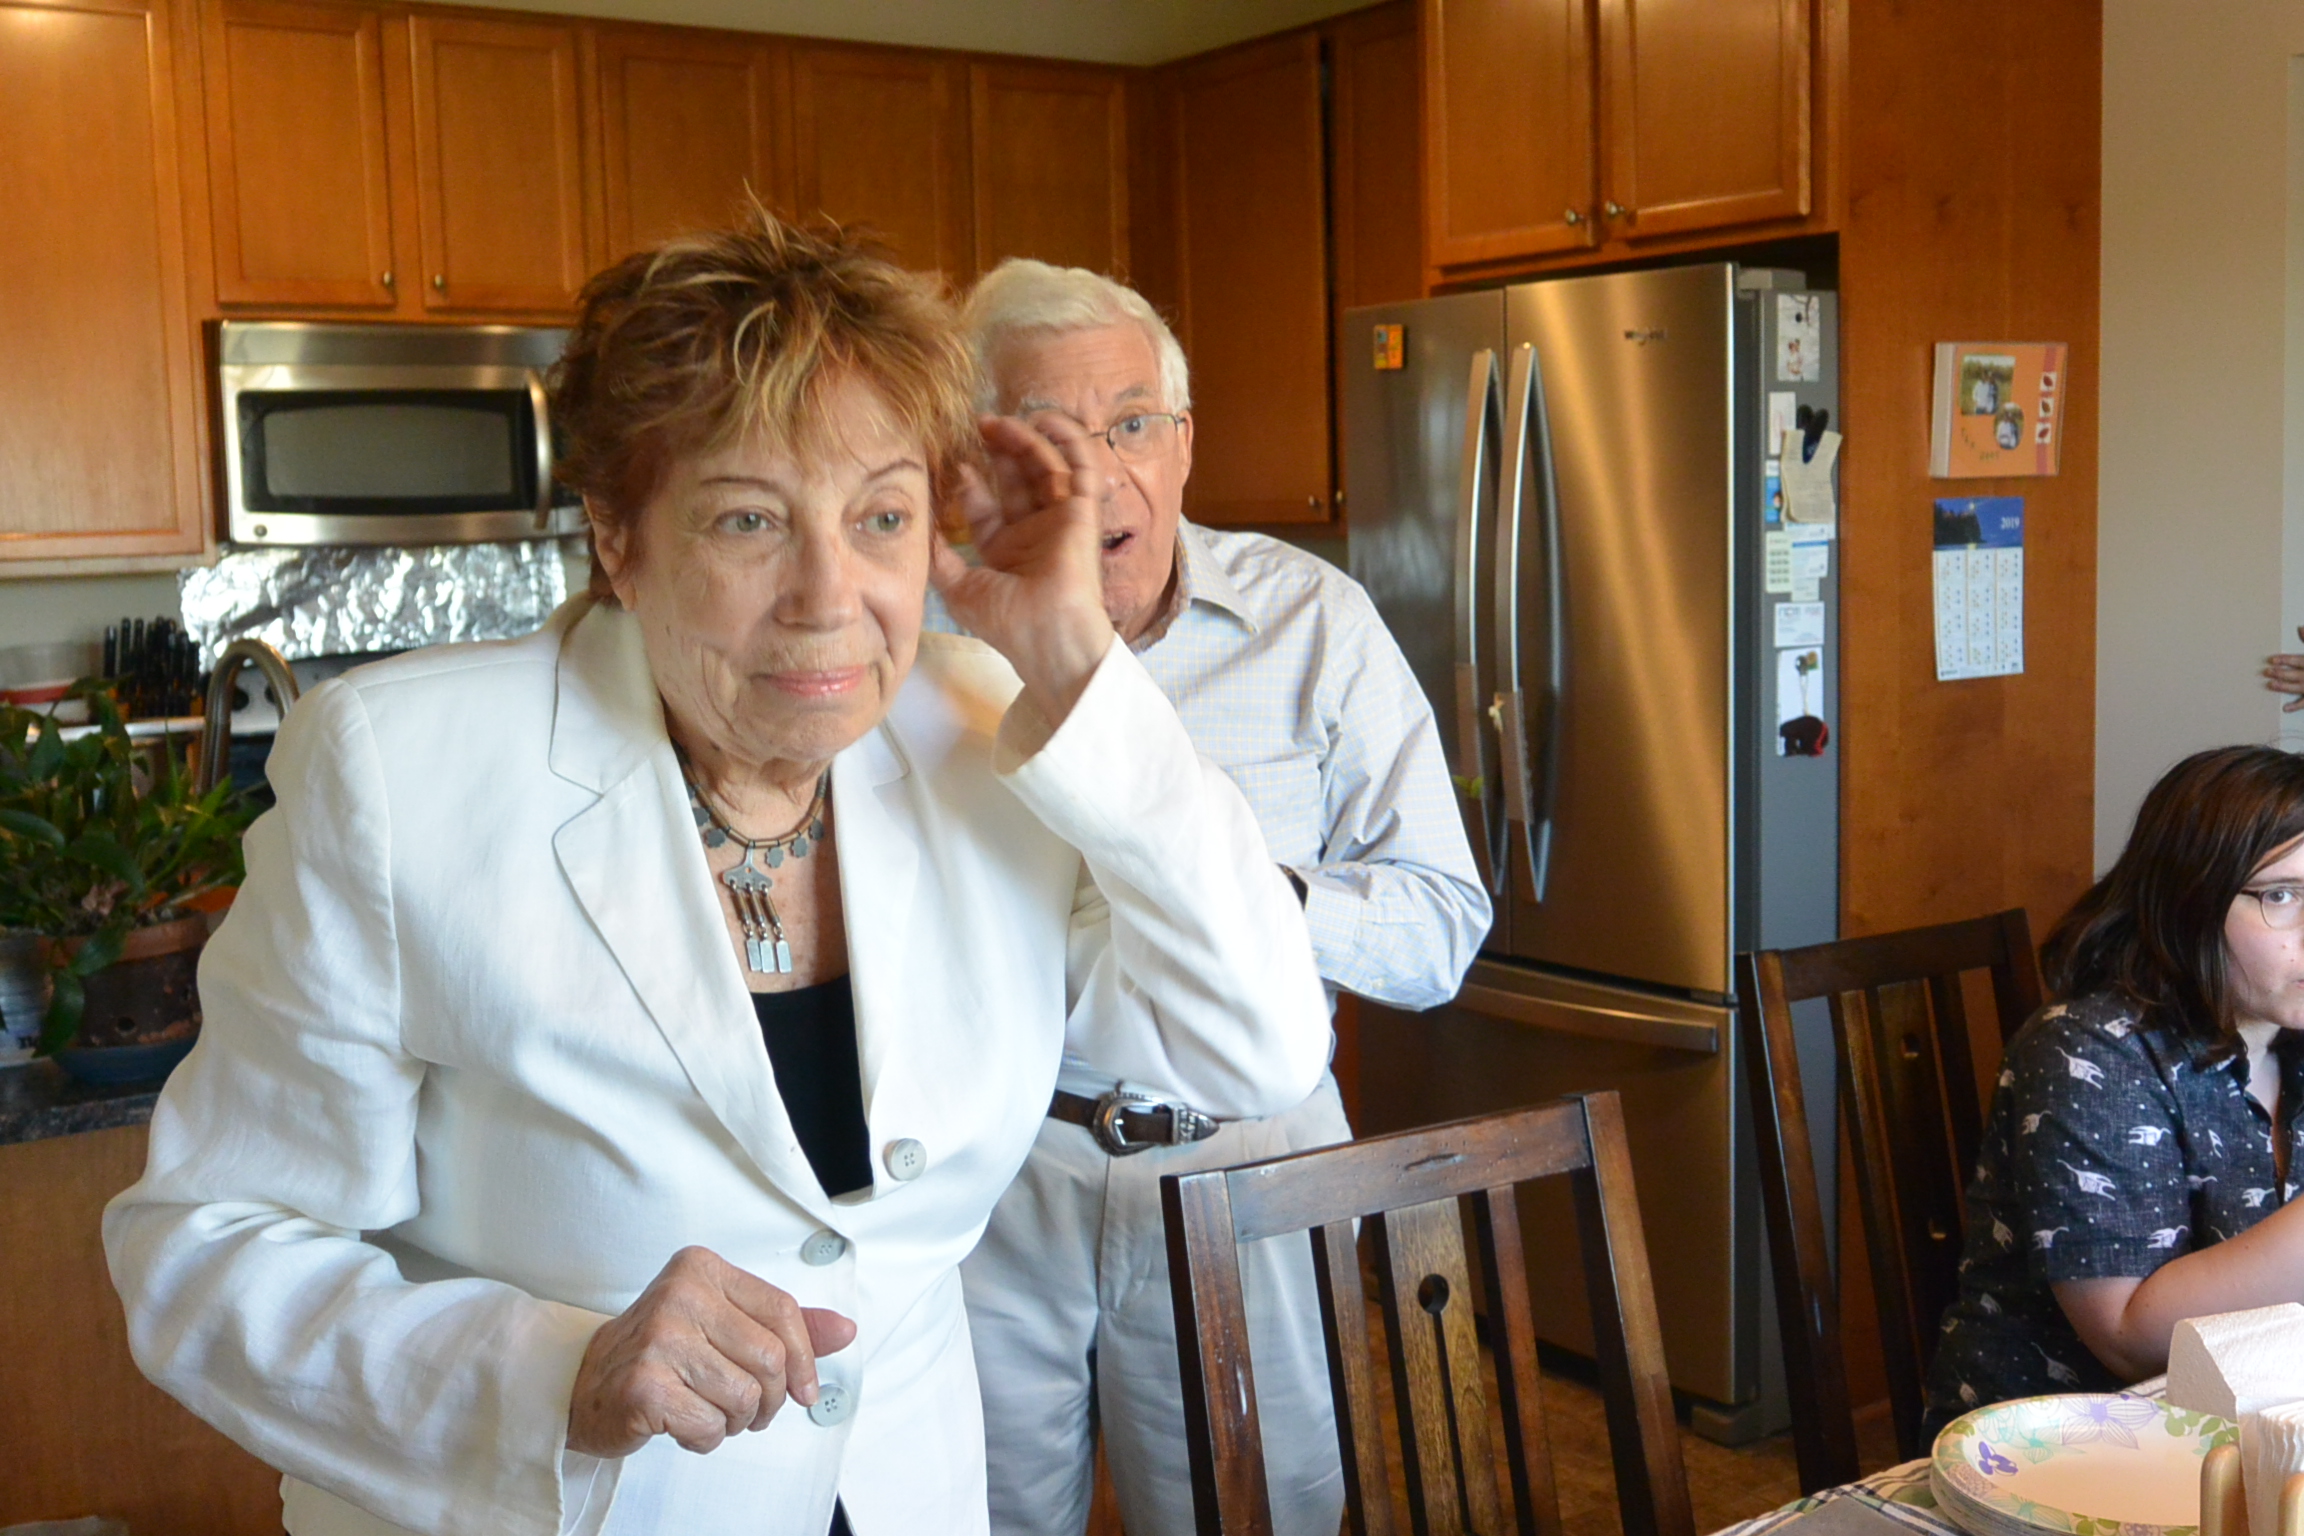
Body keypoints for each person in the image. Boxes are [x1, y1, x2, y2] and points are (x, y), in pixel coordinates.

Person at [101, 214, 1332, 1536]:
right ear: (618, 536)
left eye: (881, 517)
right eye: (749, 519)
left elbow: (1258, 1050)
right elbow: (206, 1249)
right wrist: (556, 1379)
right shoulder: (400, 775)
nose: (828, 595)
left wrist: (1080, 661)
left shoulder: (986, 728)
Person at [945, 260, 1489, 1536]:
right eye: (1050, 435)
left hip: (1249, 1164)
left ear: (1185, 443)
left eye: (1132, 424)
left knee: (1264, 1519)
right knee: (976, 1515)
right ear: (979, 457)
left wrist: (1244, 894)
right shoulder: (922, 633)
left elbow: (1438, 929)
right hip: (992, 1171)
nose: (1100, 476)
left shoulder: (1314, 622)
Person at [1925, 744, 2304, 1429]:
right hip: (2056, 1448)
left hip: (2243, 1426)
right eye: (2282, 895)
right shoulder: (2090, 1049)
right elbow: (2129, 1340)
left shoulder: (2289, 1029)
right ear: (2190, 898)